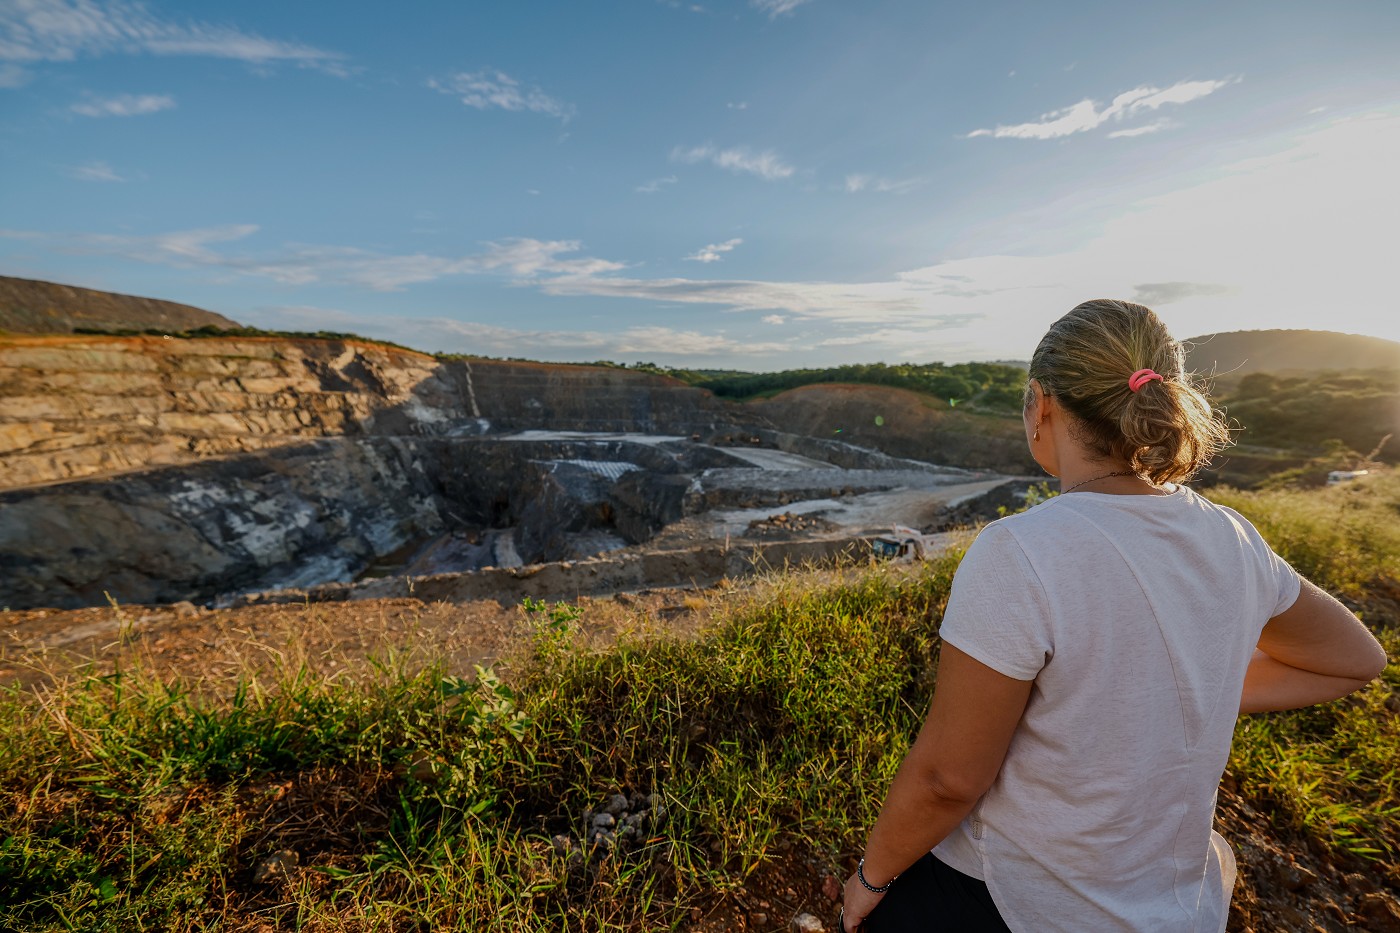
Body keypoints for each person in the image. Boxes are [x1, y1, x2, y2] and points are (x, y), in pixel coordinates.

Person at [840, 299, 1388, 932]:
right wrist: (1170, 686)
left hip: (1021, 901)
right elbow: (1354, 660)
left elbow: (947, 778)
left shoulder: (1021, 550)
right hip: (1174, 908)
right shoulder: (1229, 537)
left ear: (1041, 404)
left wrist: (868, 879)